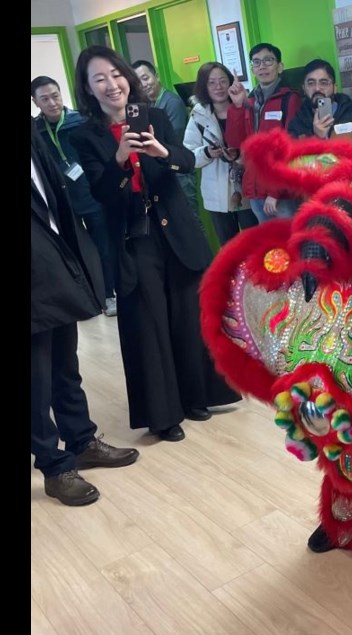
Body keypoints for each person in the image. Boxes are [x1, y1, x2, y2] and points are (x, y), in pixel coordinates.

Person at [70, 45, 241, 442]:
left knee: (186, 315)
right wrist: (118, 160)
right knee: (149, 324)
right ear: (88, 89)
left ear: (127, 76)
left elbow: (184, 159)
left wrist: (164, 153)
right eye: (100, 79)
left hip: (174, 231)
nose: (112, 85)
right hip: (134, 238)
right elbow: (98, 194)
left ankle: (198, 396)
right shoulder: (84, 136)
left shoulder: (157, 116)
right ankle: (163, 414)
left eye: (116, 74)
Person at [32, 124, 140, 506]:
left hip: (55, 264)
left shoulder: (35, 134)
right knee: (36, 379)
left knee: (65, 364)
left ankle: (80, 441)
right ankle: (54, 466)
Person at [32, 75, 118, 317]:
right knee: (74, 250)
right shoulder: (36, 131)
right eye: (45, 99)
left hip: (91, 196)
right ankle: (86, 296)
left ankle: (110, 294)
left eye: (55, 95)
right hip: (61, 203)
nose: (52, 102)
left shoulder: (79, 122)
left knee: (103, 246)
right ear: (36, 102)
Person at [225, 43, 303, 222]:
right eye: (257, 62)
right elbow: (236, 142)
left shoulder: (290, 99)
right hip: (257, 189)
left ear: (280, 66)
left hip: (281, 193)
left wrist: (275, 191)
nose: (262, 66)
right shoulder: (250, 100)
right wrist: (237, 106)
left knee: (287, 243)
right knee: (269, 245)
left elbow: (291, 148)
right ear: (252, 68)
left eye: (268, 61)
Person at [184, 62, 257, 246]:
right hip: (215, 193)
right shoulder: (198, 115)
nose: (219, 87)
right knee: (228, 247)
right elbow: (189, 156)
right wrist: (207, 152)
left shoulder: (246, 106)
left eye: (223, 81)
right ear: (204, 86)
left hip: (248, 188)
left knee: (254, 243)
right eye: (212, 82)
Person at [132, 59, 200, 224]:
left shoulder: (172, 102)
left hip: (180, 172)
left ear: (156, 76)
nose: (144, 84)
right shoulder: (148, 105)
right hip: (165, 169)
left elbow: (173, 140)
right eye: (138, 81)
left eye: (146, 78)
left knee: (190, 221)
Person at [287, 58, 352, 167]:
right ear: (304, 88)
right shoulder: (297, 125)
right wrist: (317, 139)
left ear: (334, 88)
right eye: (311, 83)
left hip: (350, 182)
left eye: (323, 83)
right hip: (317, 183)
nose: (317, 88)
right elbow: (293, 167)